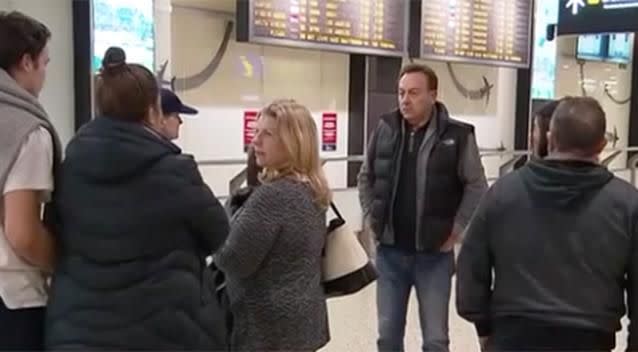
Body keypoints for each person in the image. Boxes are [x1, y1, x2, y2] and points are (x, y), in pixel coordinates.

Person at [44, 47, 231, 350]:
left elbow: (53, 234)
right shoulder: (175, 171)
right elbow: (218, 233)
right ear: (152, 110)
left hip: (80, 332)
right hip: (167, 331)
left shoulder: (69, 170)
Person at [456, 96, 638, 352]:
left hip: (513, 335)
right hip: (590, 338)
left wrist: (484, 328)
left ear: (550, 138)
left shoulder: (503, 193)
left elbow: (471, 267)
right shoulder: (627, 203)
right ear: (603, 145)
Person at [358, 62, 488, 352]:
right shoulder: (385, 128)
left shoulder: (459, 135)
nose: (405, 99)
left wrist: (456, 231)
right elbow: (366, 177)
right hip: (390, 253)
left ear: (433, 94)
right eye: (401, 92)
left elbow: (477, 186)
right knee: (388, 337)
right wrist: (372, 220)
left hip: (435, 257)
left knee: (435, 340)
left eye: (414, 93)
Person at [214, 99, 331, 352]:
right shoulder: (313, 189)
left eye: (267, 134)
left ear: (293, 142)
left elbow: (233, 260)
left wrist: (216, 223)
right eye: (256, 131)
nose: (255, 140)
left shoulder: (273, 196)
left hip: (267, 331)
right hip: (302, 322)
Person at [0, 11, 61, 350]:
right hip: (14, 299)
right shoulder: (26, 130)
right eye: (45, 64)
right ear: (26, 63)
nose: (45, 75)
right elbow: (21, 233)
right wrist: (61, 261)